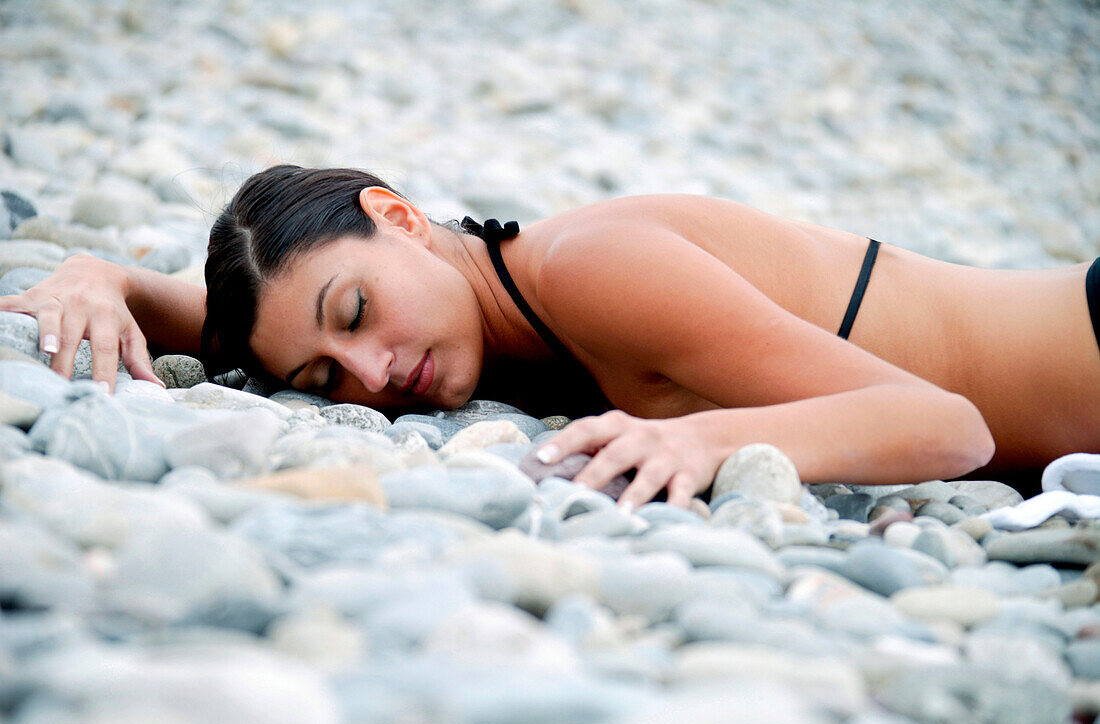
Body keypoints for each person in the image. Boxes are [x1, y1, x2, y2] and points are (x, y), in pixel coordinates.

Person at [3, 165, 1098, 506]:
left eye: (358, 315)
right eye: (326, 381)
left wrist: (707, 442)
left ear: (399, 218)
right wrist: (95, 275)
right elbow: (253, 322)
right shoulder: (449, 325)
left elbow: (943, 427)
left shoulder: (593, 271)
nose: (376, 374)